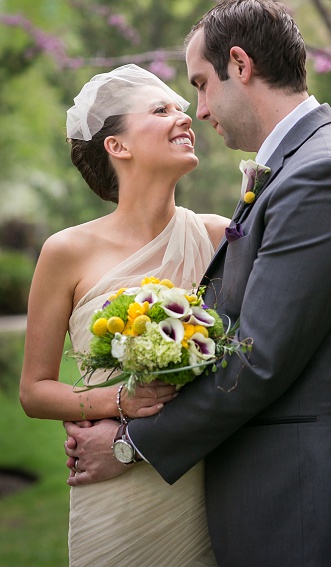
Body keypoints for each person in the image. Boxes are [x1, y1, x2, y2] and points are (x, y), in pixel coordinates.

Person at [63, 0, 331, 566]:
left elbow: (258, 357)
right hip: (292, 497)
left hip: (314, 503)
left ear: (240, 64)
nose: (199, 110)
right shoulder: (301, 167)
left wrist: (131, 445)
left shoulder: (321, 174)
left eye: (202, 84)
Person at [20, 64, 228, 565]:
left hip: (206, 481)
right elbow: (34, 391)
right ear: (118, 146)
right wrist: (121, 400)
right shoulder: (65, 251)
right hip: (112, 499)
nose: (185, 116)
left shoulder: (220, 238)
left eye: (182, 107)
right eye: (162, 111)